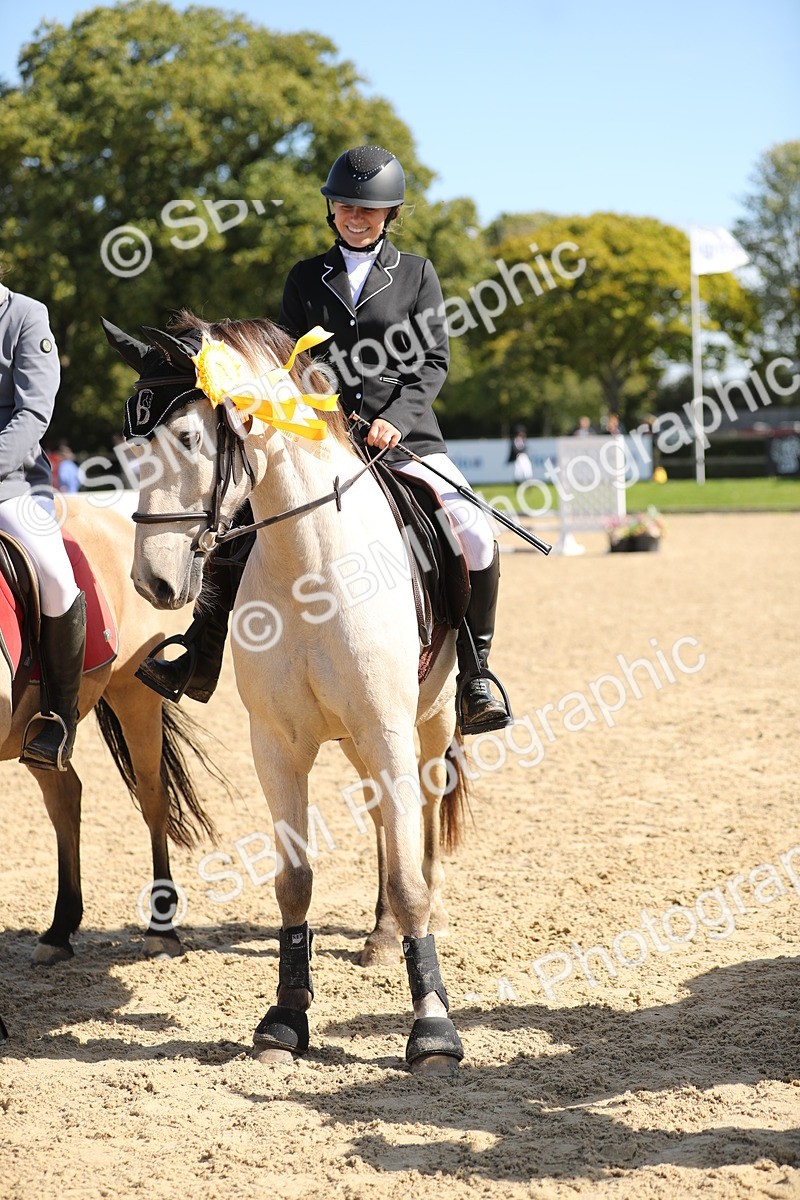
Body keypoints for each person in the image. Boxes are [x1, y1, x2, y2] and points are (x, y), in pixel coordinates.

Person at [138, 146, 513, 734]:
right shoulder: (305, 277)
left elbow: (433, 362)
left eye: (369, 209)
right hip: (321, 438)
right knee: (241, 526)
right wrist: (330, 415)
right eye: (346, 206)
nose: (356, 217)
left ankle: (475, 674)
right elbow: (293, 363)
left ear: (389, 214)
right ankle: (200, 652)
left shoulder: (416, 273)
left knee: (474, 535)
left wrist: (395, 416)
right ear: (332, 210)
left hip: (406, 436)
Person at [0, 270, 86, 770]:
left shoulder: (26, 317)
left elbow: (33, 413)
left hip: (12, 483)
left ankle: (57, 719)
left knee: (56, 581)